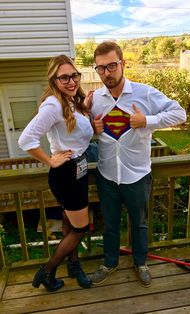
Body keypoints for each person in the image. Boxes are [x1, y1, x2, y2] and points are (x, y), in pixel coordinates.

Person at [90, 41, 187, 287]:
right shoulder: (94, 100)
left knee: (139, 224)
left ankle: (140, 262)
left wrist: (147, 120)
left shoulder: (145, 93)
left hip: (137, 175)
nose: (106, 73)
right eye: (100, 68)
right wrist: (92, 129)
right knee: (110, 225)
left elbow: (180, 114)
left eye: (111, 65)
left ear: (123, 64)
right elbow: (81, 129)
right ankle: (110, 263)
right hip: (107, 175)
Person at [18, 55, 94, 292]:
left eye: (74, 75)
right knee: (81, 228)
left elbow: (74, 132)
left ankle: (74, 266)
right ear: (54, 79)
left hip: (77, 170)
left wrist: (88, 114)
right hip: (66, 174)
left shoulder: (71, 101)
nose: (71, 81)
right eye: (64, 77)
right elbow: (25, 140)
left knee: (70, 225)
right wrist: (50, 160)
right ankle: (47, 270)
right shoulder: (53, 105)